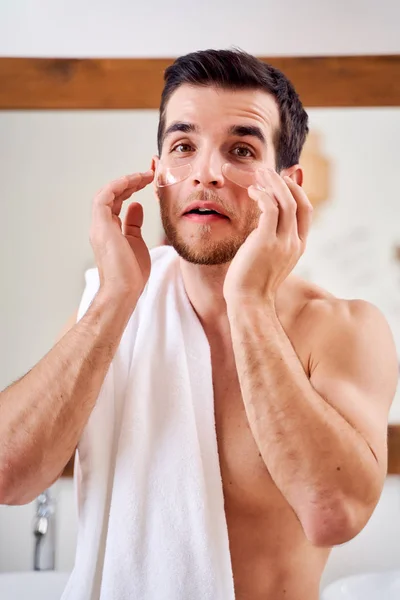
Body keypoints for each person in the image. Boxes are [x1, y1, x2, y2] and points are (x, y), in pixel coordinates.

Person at [0, 49, 398, 600]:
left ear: (290, 184)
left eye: (241, 149)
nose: (206, 173)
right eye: (183, 146)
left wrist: (251, 303)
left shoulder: (342, 329)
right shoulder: (109, 311)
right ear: (158, 172)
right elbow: (7, 478)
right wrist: (116, 298)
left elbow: (335, 514)